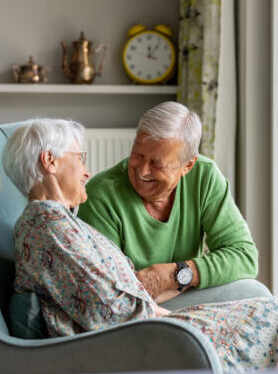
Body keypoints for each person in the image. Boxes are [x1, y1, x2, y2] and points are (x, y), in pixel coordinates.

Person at [2, 118, 278, 374]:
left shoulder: (57, 222)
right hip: (142, 338)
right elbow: (110, 309)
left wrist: (173, 282)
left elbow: (109, 293)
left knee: (274, 312)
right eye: (79, 158)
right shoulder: (51, 227)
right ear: (50, 161)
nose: (87, 170)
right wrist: (167, 312)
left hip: (148, 323)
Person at [78, 101, 258, 303]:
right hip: (135, 310)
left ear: (187, 166)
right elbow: (108, 293)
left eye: (157, 163)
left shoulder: (204, 177)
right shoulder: (100, 195)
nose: (142, 171)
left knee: (255, 292)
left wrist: (175, 275)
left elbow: (245, 256)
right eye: (137, 155)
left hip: (185, 296)